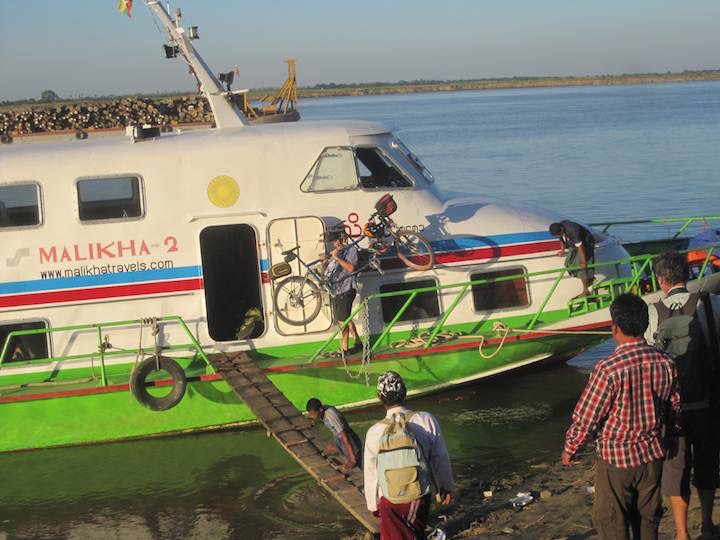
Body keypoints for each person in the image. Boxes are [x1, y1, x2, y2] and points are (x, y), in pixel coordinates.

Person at [562, 293, 681, 539]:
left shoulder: (608, 369)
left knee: (612, 521)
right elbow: (674, 406)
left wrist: (571, 447)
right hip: (652, 454)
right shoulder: (665, 362)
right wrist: (668, 436)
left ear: (614, 328)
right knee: (647, 519)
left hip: (616, 458)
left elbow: (587, 416)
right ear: (646, 325)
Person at [644, 250, 720, 540]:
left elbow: (649, 358)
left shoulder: (653, 312)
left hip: (671, 410)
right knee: (708, 462)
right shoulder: (710, 304)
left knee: (675, 471)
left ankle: (681, 533)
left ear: (661, 280)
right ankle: (708, 523)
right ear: (687, 275)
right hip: (708, 402)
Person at [364, 371, 453, 539]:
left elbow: (371, 473)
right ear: (404, 392)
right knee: (414, 533)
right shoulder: (426, 420)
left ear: (379, 397)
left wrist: (372, 503)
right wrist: (446, 486)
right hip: (418, 495)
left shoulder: (374, 432)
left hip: (388, 499)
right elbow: (440, 458)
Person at [320, 228, 360, 356]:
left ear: (342, 239)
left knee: (343, 320)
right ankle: (358, 342)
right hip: (336, 291)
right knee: (345, 318)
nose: (335, 244)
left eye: (337, 241)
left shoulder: (351, 250)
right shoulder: (335, 252)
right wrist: (324, 263)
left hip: (346, 289)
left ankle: (344, 348)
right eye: (333, 242)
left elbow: (351, 268)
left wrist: (337, 258)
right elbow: (328, 272)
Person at [306, 398, 362, 472]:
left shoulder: (331, 416)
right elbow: (334, 430)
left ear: (320, 409)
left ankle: (353, 459)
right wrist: (336, 447)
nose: (311, 416)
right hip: (342, 442)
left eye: (313, 413)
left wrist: (352, 459)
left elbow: (344, 436)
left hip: (351, 444)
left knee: (355, 470)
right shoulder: (322, 412)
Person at [549, 220, 596, 297]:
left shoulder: (573, 230)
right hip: (573, 244)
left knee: (581, 268)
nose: (558, 236)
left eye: (558, 234)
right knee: (568, 264)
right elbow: (561, 239)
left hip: (585, 244)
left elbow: (580, 247)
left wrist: (583, 262)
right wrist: (562, 250)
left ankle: (586, 289)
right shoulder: (560, 229)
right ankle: (589, 279)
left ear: (561, 229)